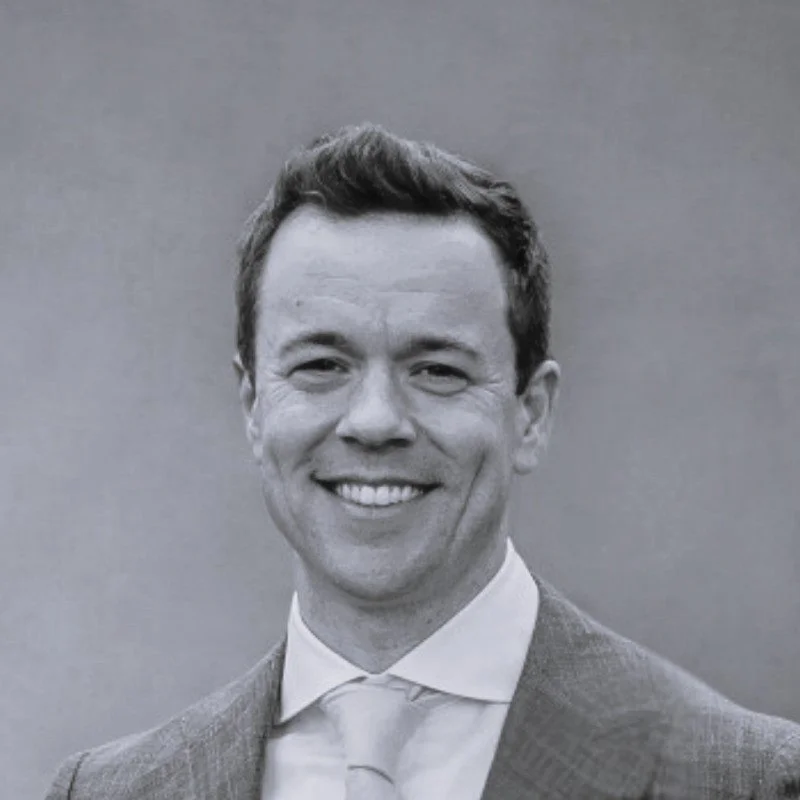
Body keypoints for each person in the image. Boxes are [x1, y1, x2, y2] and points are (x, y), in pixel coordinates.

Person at [46, 123, 800, 800]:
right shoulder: (109, 793)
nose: (375, 421)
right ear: (253, 406)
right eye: (320, 365)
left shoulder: (749, 781)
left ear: (531, 414)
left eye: (437, 370)